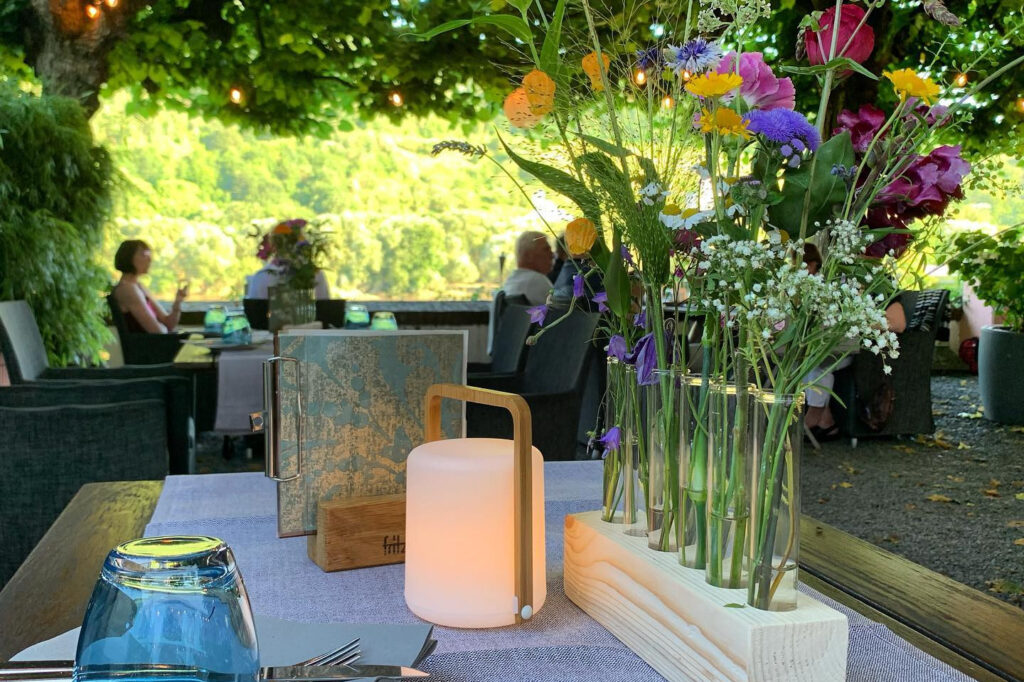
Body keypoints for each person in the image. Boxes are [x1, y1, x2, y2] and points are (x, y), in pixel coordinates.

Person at [802, 243, 908, 440]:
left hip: (859, 351)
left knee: (817, 363)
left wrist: (855, 318)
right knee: (798, 359)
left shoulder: (880, 281)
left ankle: (813, 417)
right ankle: (825, 419)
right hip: (830, 343)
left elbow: (898, 323)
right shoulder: (836, 277)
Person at [111, 239, 187, 334]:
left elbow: (169, 324)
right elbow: (157, 332)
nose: (149, 259)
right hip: (148, 343)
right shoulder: (128, 289)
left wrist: (178, 302)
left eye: (149, 255)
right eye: (144, 255)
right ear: (128, 258)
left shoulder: (139, 286)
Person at [245, 232, 329, 300]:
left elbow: (255, 312)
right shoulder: (316, 273)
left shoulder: (261, 276)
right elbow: (325, 308)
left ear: (274, 246)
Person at [501, 231, 553, 305]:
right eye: (546, 249)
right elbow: (561, 310)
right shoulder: (537, 280)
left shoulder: (510, 281)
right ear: (528, 256)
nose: (552, 254)